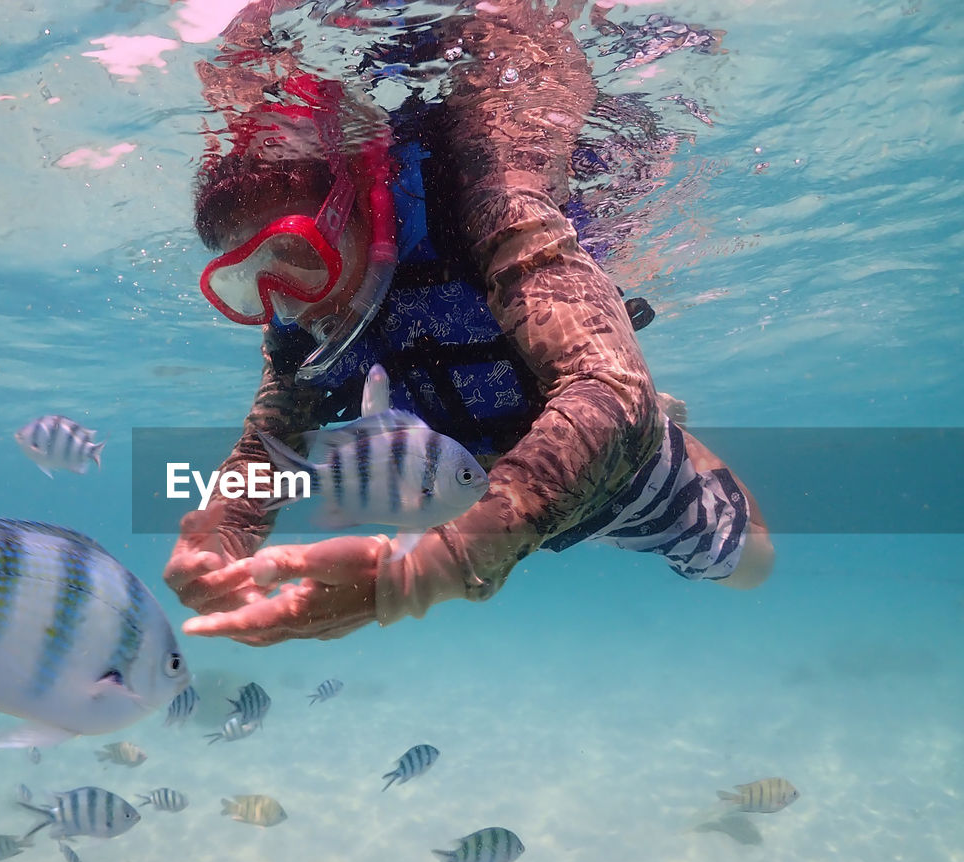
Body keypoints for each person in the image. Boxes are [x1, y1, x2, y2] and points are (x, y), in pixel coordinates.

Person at [164, 0, 773, 646]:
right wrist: (225, 529)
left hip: (596, 473)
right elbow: (271, 438)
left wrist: (433, 570)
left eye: (297, 256)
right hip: (450, 480)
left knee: (751, 563)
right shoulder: (296, 308)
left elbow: (612, 395)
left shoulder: (490, 200)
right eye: (243, 281)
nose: (284, 300)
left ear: (361, 201)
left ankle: (668, 419)